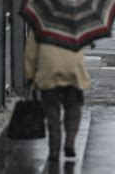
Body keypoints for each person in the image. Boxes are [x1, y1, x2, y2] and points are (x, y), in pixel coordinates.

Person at [24, 30, 90, 162]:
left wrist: (30, 75)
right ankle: (70, 142)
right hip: (73, 69)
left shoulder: (40, 21)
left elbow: (31, 52)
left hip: (49, 69)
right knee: (73, 108)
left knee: (52, 111)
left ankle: (54, 150)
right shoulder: (76, 19)